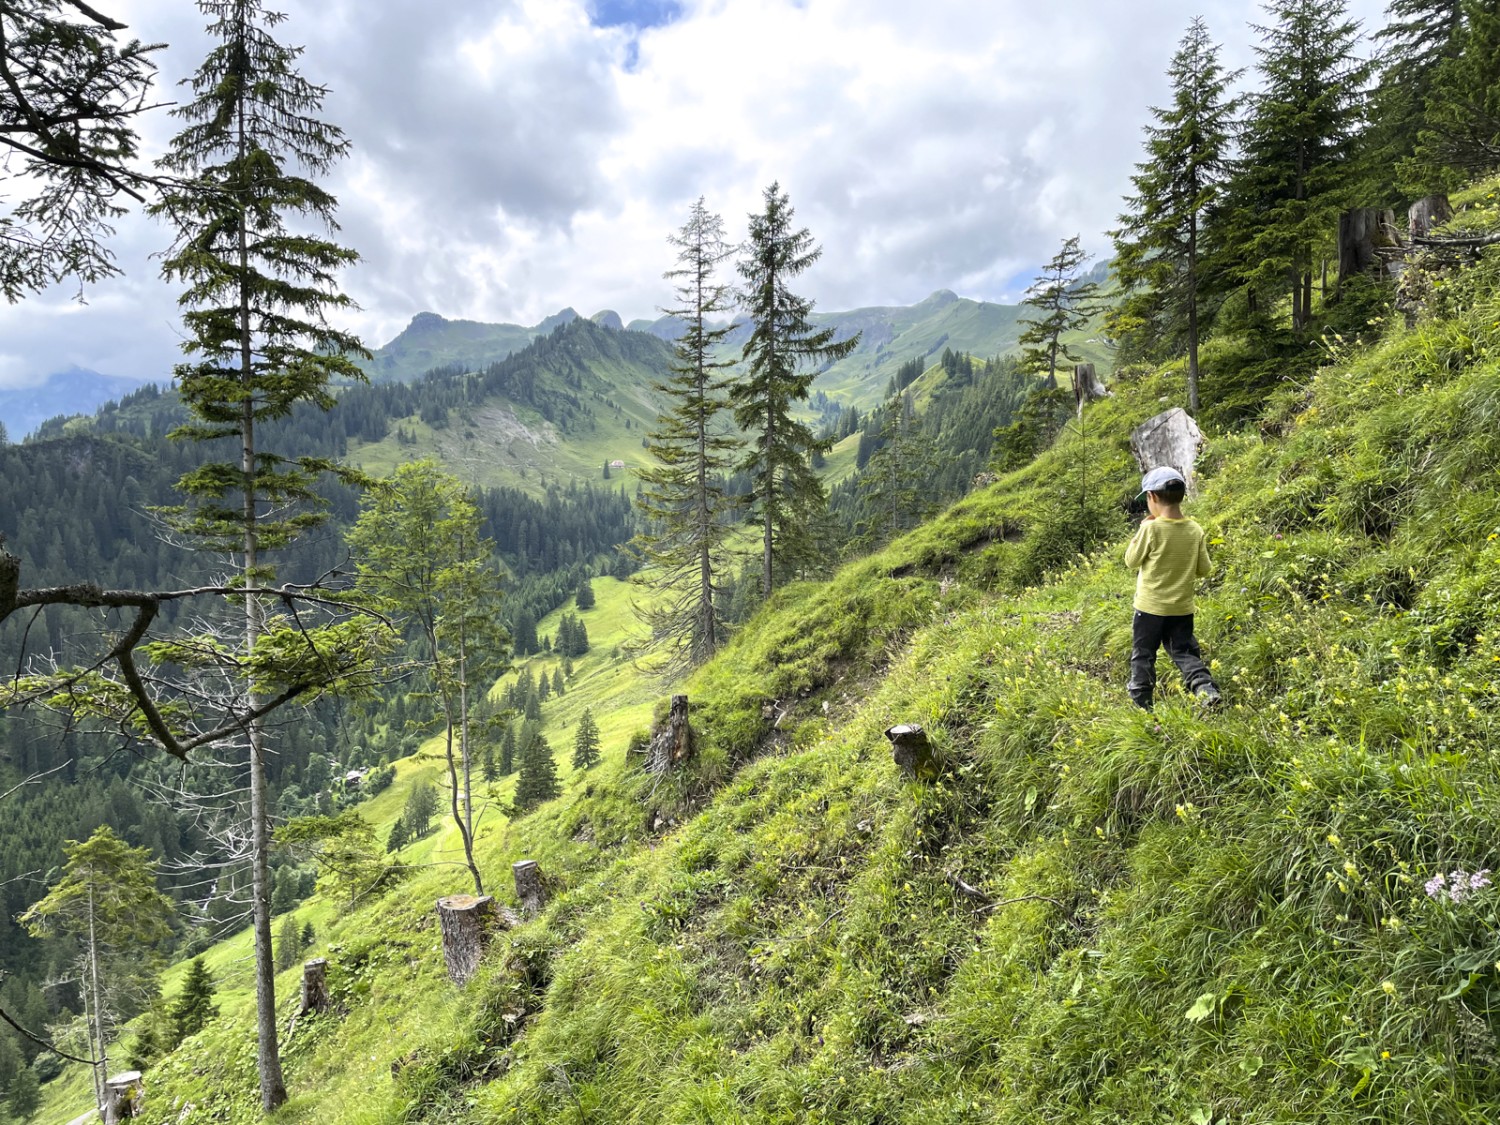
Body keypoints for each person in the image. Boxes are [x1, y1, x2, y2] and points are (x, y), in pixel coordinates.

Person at [1124, 466, 1221, 710]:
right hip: (1181, 609)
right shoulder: (1194, 529)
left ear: (1153, 497)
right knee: (1185, 652)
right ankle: (1205, 690)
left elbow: (1131, 560)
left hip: (1149, 609)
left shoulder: (1151, 528)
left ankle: (1142, 704)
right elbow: (1204, 569)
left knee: (1144, 654)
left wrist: (1141, 529)